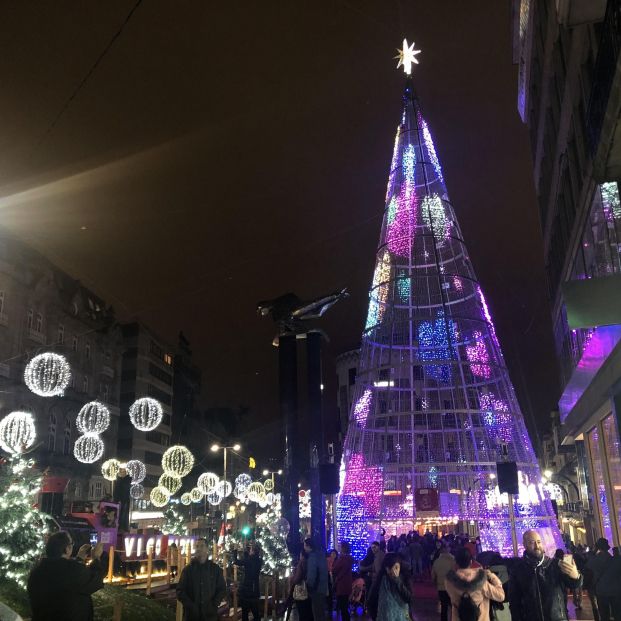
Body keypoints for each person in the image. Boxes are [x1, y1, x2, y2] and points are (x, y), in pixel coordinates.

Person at [27, 531, 105, 621]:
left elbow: (65, 577)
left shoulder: (37, 570)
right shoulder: (73, 571)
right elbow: (96, 580)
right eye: (71, 543)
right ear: (67, 548)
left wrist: (79, 558)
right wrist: (96, 558)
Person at [509, 529, 582, 621]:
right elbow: (514, 602)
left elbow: (574, 584)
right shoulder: (518, 570)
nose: (537, 546)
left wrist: (576, 576)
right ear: (525, 545)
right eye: (532, 542)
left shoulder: (555, 565)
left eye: (539, 542)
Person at [445, 548, 503, 621]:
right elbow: (500, 596)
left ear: (456, 562)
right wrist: (491, 576)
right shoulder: (481, 580)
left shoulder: (449, 581)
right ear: (471, 561)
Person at [176, 538, 227, 621]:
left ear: (207, 549)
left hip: (209, 616)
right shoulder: (188, 570)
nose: (199, 548)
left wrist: (214, 605)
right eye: (197, 546)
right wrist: (191, 606)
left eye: (202, 546)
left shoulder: (215, 569)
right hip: (192, 616)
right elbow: (180, 591)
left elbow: (222, 589)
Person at [366, 553, 414, 621]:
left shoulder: (405, 578)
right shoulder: (380, 580)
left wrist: (397, 581)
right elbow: (371, 601)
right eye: (390, 568)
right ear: (386, 568)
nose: (394, 571)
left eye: (396, 567)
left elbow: (409, 598)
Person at [586, 537, 621, 621]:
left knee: (604, 616)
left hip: (601, 591)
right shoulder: (616, 560)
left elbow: (587, 566)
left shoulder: (595, 560)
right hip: (616, 591)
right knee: (618, 614)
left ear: (598, 547)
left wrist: (593, 552)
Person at [234, 544, 263, 621]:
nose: (249, 551)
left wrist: (235, 551)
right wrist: (247, 553)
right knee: (256, 613)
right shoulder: (259, 561)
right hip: (255, 590)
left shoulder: (248, 560)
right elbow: (249, 560)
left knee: (245, 613)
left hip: (246, 591)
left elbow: (236, 561)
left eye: (250, 550)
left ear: (252, 552)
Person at [305, 538, 329, 621]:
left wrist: (309, 586)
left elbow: (312, 573)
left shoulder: (313, 557)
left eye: (305, 545)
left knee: (317, 614)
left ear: (309, 546)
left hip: (316, 589)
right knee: (321, 613)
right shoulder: (321, 555)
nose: (304, 548)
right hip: (322, 587)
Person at [431, 544, 454, 621]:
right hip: (452, 587)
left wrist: (435, 582)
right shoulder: (453, 560)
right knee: (453, 607)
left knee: (444, 607)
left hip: (441, 587)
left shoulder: (437, 561)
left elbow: (433, 575)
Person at [332, 541, 354, 621]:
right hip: (347, 584)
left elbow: (334, 569)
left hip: (341, 585)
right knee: (345, 606)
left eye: (340, 546)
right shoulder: (349, 558)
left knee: (343, 607)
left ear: (343, 548)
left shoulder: (342, 559)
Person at [290, 549, 313, 621]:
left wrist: (293, 577)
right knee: (309, 613)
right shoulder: (311, 562)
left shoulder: (301, 562)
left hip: (302, 591)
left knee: (302, 613)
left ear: (302, 555)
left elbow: (297, 579)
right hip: (310, 591)